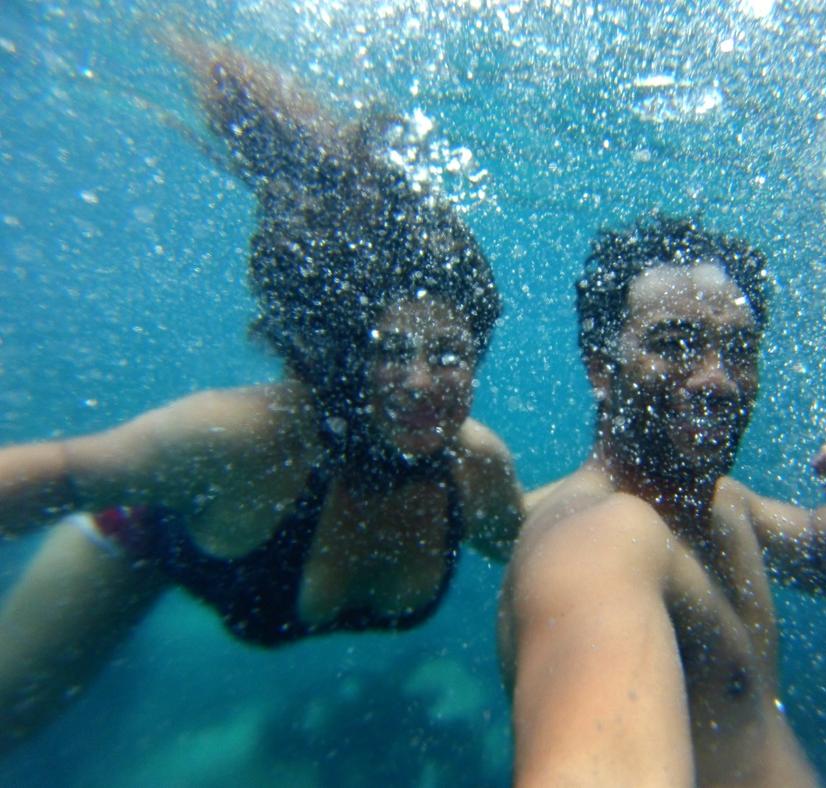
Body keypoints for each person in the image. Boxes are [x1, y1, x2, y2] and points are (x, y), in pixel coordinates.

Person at [0, 41, 522, 751]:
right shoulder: (243, 437)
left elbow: (533, 538)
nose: (424, 381)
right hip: (137, 538)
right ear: (341, 355)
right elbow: (62, 471)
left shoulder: (475, 468)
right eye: (391, 352)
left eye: (451, 354)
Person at [499, 214, 826, 787]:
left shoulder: (724, 506)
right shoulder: (598, 542)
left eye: (739, 349)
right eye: (674, 345)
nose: (716, 379)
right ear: (601, 369)